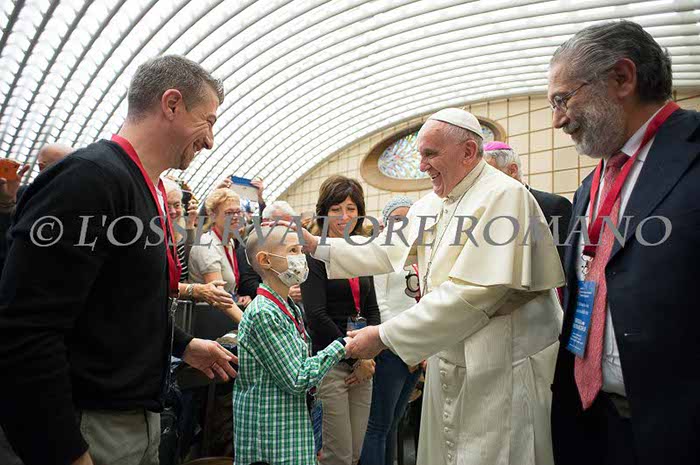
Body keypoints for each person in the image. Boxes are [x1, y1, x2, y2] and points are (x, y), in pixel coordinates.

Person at [0, 55, 237, 465]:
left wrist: (182, 345)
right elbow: (26, 331)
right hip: (89, 427)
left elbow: (119, 302)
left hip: (130, 422)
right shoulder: (89, 179)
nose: (210, 140)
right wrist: (66, 451)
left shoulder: (144, 187)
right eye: (208, 121)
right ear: (172, 104)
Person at [295, 108, 564, 465]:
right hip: (449, 354)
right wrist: (317, 246)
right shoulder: (432, 202)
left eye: (430, 154)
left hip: (501, 361)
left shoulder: (504, 197)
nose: (422, 166)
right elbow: (386, 249)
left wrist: (384, 336)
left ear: (468, 151)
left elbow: (472, 294)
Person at [548, 21, 700, 465]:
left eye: (562, 99)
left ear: (621, 78)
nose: (557, 120)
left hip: (677, 433)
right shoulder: (590, 186)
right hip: (592, 423)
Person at [233, 225, 354, 465]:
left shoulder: (287, 305)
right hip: (271, 436)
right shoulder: (264, 313)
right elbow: (297, 378)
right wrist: (342, 345)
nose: (301, 258)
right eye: (292, 251)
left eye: (300, 250)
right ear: (265, 260)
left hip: (289, 426)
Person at [301, 175, 380, 465]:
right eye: (336, 209)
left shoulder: (362, 251)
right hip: (331, 363)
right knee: (337, 456)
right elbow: (316, 315)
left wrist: (368, 355)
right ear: (323, 213)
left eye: (350, 208)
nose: (344, 217)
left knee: (355, 453)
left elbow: (372, 309)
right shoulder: (315, 254)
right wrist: (356, 353)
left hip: (363, 364)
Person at [360, 196, 422, 465]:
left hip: (413, 350)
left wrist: (419, 348)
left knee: (394, 423)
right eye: (397, 219)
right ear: (385, 223)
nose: (403, 224)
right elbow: (380, 305)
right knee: (378, 425)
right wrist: (401, 346)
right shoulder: (380, 251)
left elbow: (418, 304)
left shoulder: (413, 253)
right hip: (390, 349)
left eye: (409, 219)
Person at [483, 141, 572, 266]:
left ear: (512, 170)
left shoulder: (554, 206)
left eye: (489, 174)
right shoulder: (485, 208)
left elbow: (563, 263)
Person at [163, 177, 234, 308]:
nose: (172, 211)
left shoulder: (178, 231)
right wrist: (193, 290)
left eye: (177, 205)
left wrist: (190, 223)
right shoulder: (154, 236)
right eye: (167, 206)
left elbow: (187, 254)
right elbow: (158, 283)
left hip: (176, 304)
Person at [188, 187, 249, 323]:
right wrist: (248, 325)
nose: (236, 217)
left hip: (220, 315)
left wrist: (238, 297)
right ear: (213, 216)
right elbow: (219, 295)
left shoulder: (229, 242)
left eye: (238, 212)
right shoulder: (207, 244)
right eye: (229, 213)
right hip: (205, 320)